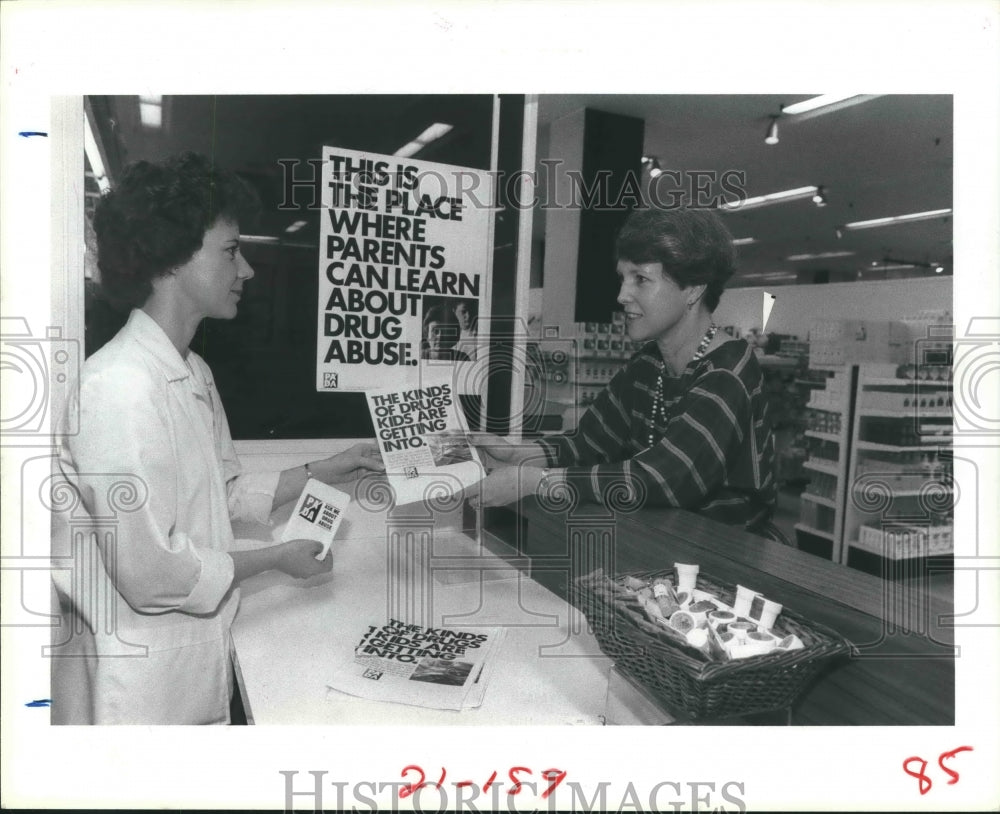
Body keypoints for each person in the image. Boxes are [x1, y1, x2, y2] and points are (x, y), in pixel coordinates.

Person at [51, 152, 384, 725]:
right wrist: (276, 558)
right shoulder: (118, 389)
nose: (247, 269)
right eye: (231, 250)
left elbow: (223, 495)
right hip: (132, 693)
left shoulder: (192, 372)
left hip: (192, 668)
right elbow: (150, 575)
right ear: (172, 260)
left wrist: (323, 469)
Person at [470, 205, 776, 528]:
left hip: (733, 557)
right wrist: (516, 455)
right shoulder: (646, 365)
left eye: (641, 279)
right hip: (666, 542)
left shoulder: (727, 373)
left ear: (693, 289)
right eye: (623, 278)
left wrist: (537, 481)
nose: (621, 295)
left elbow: (667, 477)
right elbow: (588, 442)